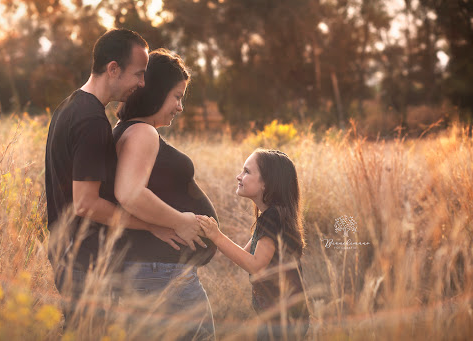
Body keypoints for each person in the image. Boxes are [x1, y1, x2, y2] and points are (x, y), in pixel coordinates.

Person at [45, 29, 202, 326]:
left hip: (68, 255)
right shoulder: (91, 121)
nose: (142, 84)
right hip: (84, 262)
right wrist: (154, 225)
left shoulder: (70, 107)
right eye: (138, 74)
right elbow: (86, 204)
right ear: (113, 69)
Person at [112, 48, 217, 340]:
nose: (180, 107)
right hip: (161, 272)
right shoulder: (143, 133)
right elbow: (130, 194)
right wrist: (180, 221)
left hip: (154, 270)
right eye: (177, 96)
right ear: (156, 92)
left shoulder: (127, 130)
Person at [197, 149, 310, 340]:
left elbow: (255, 265)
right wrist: (210, 237)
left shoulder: (273, 217)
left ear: (266, 184)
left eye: (247, 172)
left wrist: (217, 236)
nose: (238, 176)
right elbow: (244, 256)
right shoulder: (270, 216)